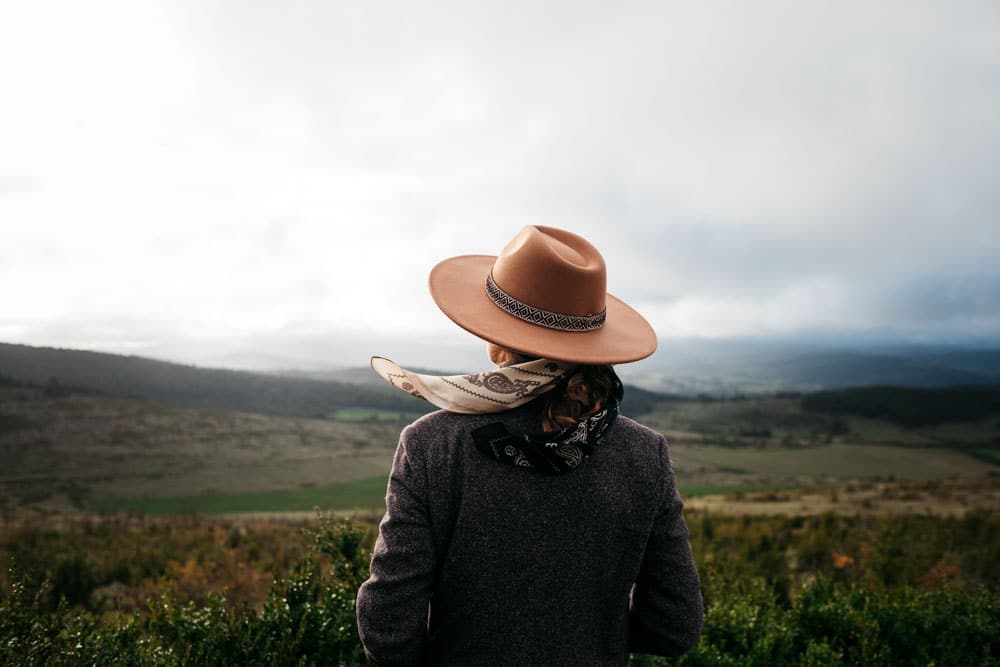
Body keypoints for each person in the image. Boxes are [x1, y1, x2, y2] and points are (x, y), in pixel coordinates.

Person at [356, 226, 703, 666]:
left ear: (497, 334)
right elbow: (676, 625)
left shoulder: (430, 446)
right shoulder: (643, 454)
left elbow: (387, 627)